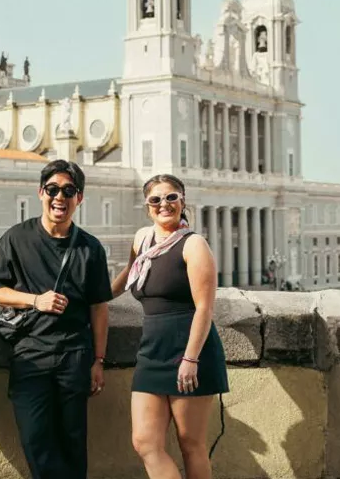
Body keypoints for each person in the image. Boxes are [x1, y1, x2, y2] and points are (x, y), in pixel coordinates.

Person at [0, 160, 112, 479]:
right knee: (36, 440)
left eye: (68, 191)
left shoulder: (90, 248)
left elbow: (99, 307)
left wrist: (98, 361)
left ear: (79, 198)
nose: (59, 197)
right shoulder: (16, 238)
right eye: (52, 189)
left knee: (73, 443)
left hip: (75, 356)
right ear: (41, 193)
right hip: (30, 355)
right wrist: (35, 300)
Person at [112, 174, 228, 479]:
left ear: (182, 201)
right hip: (152, 350)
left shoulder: (194, 244)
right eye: (156, 199)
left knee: (191, 444)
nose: (163, 204)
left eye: (171, 197)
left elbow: (204, 308)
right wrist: (95, 298)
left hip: (189, 349)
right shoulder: (142, 238)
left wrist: (190, 359)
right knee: (144, 442)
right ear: (147, 206)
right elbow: (129, 274)